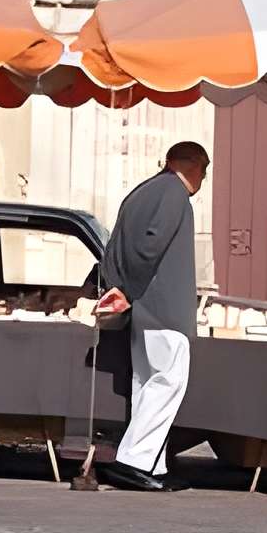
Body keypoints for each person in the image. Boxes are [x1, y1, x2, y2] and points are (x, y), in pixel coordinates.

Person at [94, 140, 208, 492]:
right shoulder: (174, 193)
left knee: (147, 385)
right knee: (166, 382)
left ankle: (152, 465)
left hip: (145, 308)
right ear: (194, 166)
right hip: (164, 308)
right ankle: (135, 461)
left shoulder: (142, 192)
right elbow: (150, 247)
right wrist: (127, 289)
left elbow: (113, 247)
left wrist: (117, 287)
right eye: (205, 170)